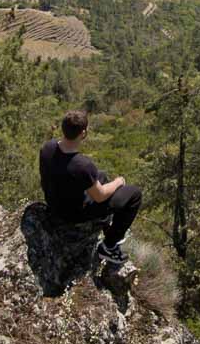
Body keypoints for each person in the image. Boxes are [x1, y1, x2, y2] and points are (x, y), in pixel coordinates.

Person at [39, 109, 142, 265]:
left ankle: (105, 220)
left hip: (54, 203)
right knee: (134, 195)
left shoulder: (48, 147)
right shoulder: (82, 165)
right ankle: (109, 247)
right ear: (83, 133)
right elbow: (100, 196)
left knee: (101, 175)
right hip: (72, 214)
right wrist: (119, 181)